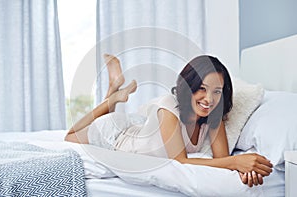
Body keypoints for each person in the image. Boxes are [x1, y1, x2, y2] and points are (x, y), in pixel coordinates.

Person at [65, 54, 273, 187]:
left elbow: (223, 159)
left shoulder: (213, 118)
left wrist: (244, 172)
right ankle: (113, 97)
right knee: (70, 136)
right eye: (202, 89)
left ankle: (115, 88)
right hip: (117, 135)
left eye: (216, 91)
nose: (209, 99)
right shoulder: (169, 105)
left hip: (139, 129)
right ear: (188, 85)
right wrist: (238, 161)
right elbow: (180, 161)